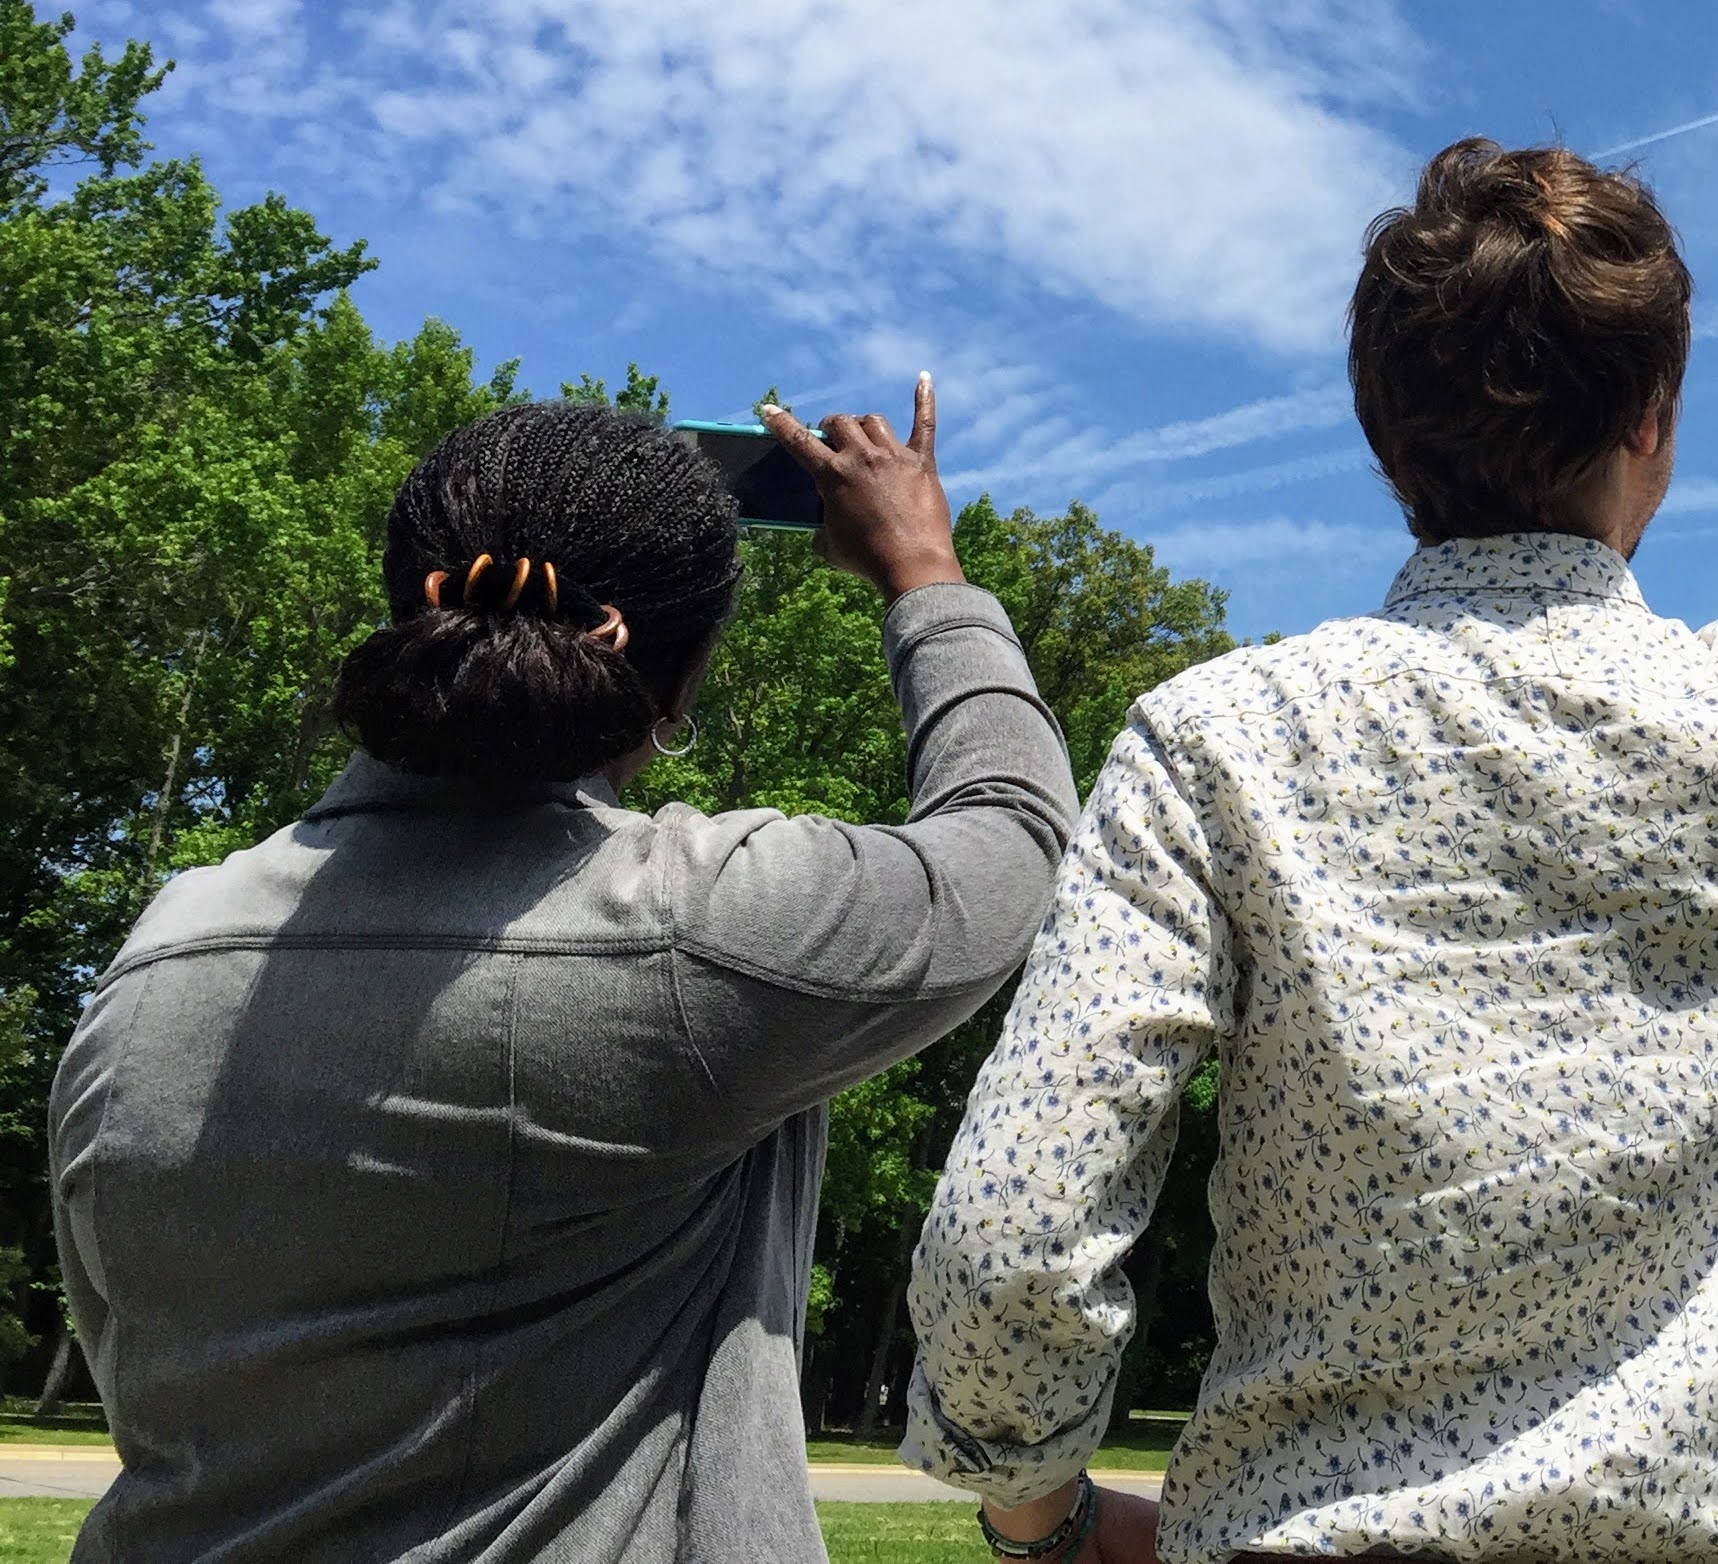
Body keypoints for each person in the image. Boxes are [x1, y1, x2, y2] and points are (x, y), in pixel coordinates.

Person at [902, 137, 1718, 1564]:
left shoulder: (1222, 744)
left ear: (1383, 441)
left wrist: (1040, 1517)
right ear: (1655, 418)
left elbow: (1009, 1249)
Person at [48, 380, 1079, 1562]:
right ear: (669, 685)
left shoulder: (160, 950)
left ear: (412, 614)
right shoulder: (696, 934)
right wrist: (923, 570)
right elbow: (1010, 837)